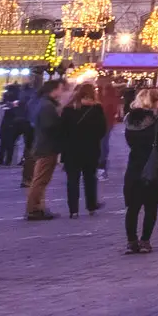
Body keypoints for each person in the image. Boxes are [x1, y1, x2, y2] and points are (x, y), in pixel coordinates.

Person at [120, 87, 158, 254]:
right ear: (155, 101)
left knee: (133, 207)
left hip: (134, 165)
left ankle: (131, 241)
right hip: (153, 166)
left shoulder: (130, 119)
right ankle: (145, 241)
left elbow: (130, 141)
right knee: (150, 206)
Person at [59, 81, 108, 217]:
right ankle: (91, 206)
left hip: (71, 149)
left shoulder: (68, 109)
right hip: (90, 149)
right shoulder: (96, 109)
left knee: (72, 180)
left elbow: (62, 131)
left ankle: (73, 210)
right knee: (90, 178)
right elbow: (102, 130)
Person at [23, 83, 67, 220]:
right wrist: (61, 121)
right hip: (47, 147)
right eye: (60, 89)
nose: (61, 92)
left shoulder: (44, 103)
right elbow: (50, 126)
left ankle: (38, 207)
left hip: (45, 145)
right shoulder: (47, 106)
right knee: (40, 179)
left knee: (41, 179)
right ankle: (33, 208)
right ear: (52, 90)